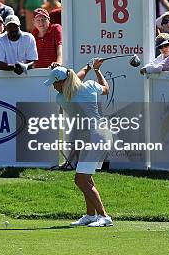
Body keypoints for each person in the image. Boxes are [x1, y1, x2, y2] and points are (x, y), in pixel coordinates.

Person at [43, 61, 113, 227]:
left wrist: (88, 67)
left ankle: (104, 217)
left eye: (54, 83)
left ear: (62, 82)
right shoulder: (88, 87)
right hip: (97, 136)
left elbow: (74, 80)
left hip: (95, 138)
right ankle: (90, 215)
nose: (53, 87)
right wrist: (96, 70)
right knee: (85, 178)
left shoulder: (62, 98)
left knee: (80, 179)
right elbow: (106, 88)